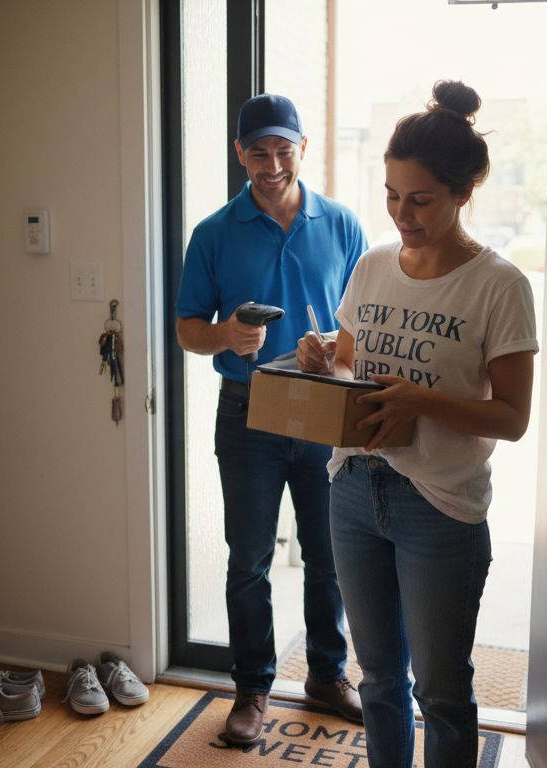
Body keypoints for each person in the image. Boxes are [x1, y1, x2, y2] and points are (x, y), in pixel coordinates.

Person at [296, 80, 538, 767]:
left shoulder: (499, 286)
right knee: (377, 681)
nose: (404, 214)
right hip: (351, 489)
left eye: (422, 200)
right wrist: (320, 361)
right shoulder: (372, 266)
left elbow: (514, 419)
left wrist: (421, 400)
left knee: (442, 691)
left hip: (438, 504)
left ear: (463, 193)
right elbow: (350, 371)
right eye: (393, 196)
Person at [175, 93, 369, 745]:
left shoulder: (342, 225)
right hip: (247, 412)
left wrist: (334, 351)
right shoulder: (212, 233)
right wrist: (225, 333)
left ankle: (326, 674)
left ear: (303, 150)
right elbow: (186, 332)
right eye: (258, 151)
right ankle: (252, 689)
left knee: (330, 556)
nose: (272, 163)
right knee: (249, 561)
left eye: (284, 149)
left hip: (322, 408)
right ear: (241, 155)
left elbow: (366, 324)